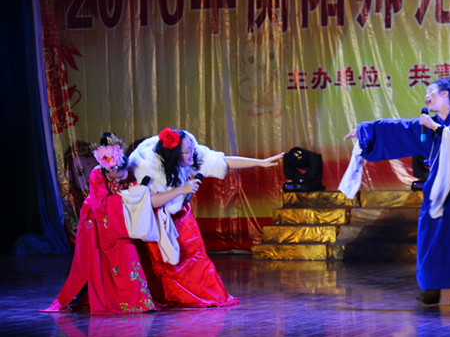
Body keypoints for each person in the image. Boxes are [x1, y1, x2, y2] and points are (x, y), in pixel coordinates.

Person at [343, 78, 450, 308]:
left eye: (431, 91)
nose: (427, 96)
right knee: (430, 234)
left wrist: (435, 127)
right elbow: (398, 128)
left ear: (445, 94)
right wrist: (364, 130)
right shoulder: (427, 124)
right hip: (437, 189)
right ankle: (431, 288)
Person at [128, 127, 283, 308]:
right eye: (188, 151)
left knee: (194, 256)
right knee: (167, 262)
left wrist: (260, 163)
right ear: (174, 155)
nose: (193, 154)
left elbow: (221, 161)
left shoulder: (190, 153)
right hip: (156, 219)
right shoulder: (148, 167)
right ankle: (171, 296)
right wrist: (182, 189)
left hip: (181, 215)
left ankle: (202, 294)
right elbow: (150, 202)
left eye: (192, 148)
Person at [42, 133, 157, 314]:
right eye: (113, 179)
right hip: (97, 219)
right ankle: (115, 299)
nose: (116, 181)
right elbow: (102, 204)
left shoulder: (131, 170)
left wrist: (135, 194)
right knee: (98, 260)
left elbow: (137, 195)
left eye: (120, 178)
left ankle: (138, 301)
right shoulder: (97, 173)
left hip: (120, 219)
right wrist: (129, 196)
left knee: (128, 254)